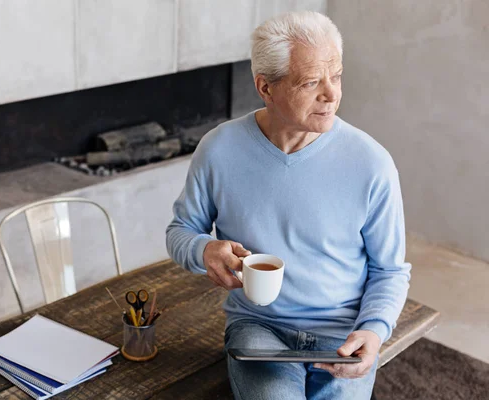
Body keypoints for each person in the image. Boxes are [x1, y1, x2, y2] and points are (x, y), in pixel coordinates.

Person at [165, 10, 411, 400]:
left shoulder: (372, 164)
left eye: (337, 75)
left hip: (343, 332)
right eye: (312, 81)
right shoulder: (219, 149)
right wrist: (204, 249)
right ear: (266, 87)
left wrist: (373, 330)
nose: (332, 94)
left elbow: (390, 270)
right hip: (259, 328)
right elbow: (180, 232)